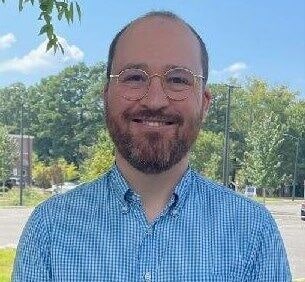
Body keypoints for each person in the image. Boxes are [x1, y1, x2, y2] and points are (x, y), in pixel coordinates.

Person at [12, 11, 291, 281]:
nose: (155, 100)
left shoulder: (252, 231)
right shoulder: (49, 229)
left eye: (178, 79)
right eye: (134, 77)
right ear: (106, 96)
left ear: (205, 103)